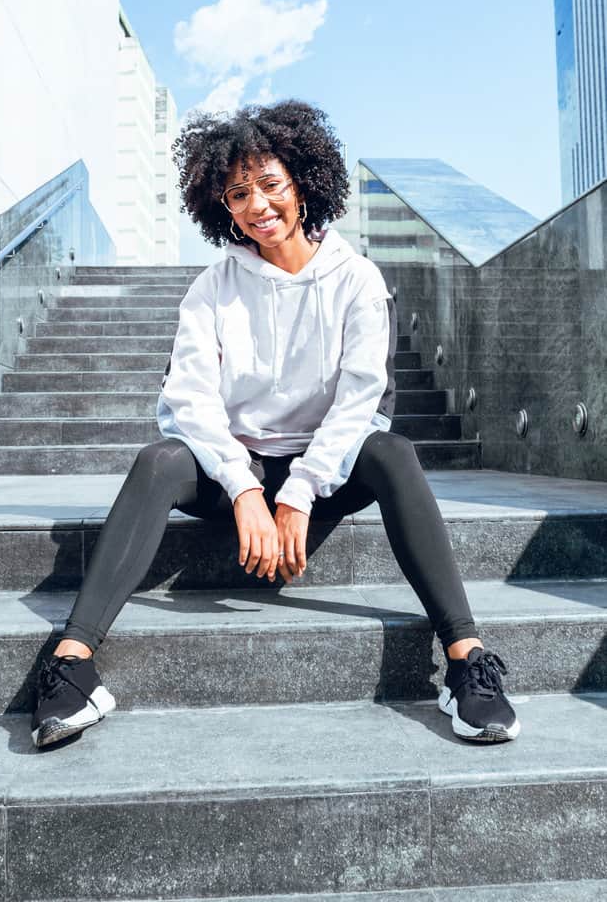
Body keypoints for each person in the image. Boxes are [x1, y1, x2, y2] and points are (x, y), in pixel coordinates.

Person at [31, 100, 520, 748]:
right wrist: (245, 489)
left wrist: (298, 492)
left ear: (302, 183)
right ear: (220, 206)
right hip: (240, 471)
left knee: (393, 451)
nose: (256, 205)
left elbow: (361, 398)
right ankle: (73, 663)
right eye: (237, 193)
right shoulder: (212, 288)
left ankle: (465, 660)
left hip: (328, 471)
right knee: (159, 460)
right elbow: (188, 401)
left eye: (269, 184)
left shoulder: (356, 279)